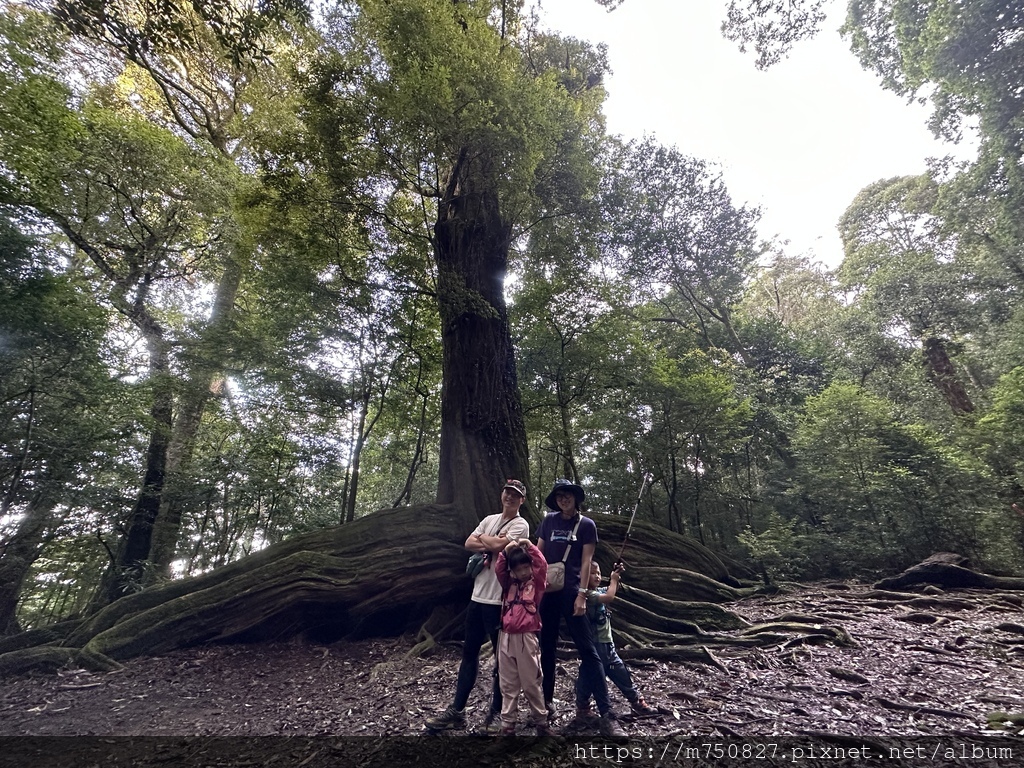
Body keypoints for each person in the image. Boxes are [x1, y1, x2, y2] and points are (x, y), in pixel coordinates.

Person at [425, 479, 530, 733]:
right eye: (507, 492)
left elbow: (494, 546)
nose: (510, 497)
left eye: (515, 495)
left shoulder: (521, 524)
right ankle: (457, 711)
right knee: (469, 655)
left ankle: (497, 713)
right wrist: (491, 540)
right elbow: (468, 543)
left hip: (500, 601)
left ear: (522, 501)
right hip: (477, 597)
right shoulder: (489, 518)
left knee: (501, 661)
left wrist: (486, 539)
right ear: (501, 494)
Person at [537, 478, 627, 742]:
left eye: (568, 496)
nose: (563, 500)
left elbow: (587, 561)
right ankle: (546, 703)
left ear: (576, 498)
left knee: (589, 651)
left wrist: (581, 595)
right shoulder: (548, 521)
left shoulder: (586, 525)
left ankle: (607, 715)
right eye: (559, 496)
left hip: (572, 591)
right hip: (548, 593)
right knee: (547, 647)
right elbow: (539, 555)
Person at [574, 561, 657, 722]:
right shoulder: (587, 595)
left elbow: (613, 590)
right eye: (593, 573)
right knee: (590, 676)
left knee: (619, 673)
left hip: (608, 645)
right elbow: (609, 596)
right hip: (597, 646)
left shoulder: (598, 591)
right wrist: (612, 579)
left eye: (598, 573)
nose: (597, 576)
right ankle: (583, 707)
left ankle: (636, 702)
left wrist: (616, 575)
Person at [494, 538, 549, 736]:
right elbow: (499, 569)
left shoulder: (537, 584)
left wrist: (529, 546)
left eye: (526, 567)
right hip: (506, 637)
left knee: (531, 683)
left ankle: (542, 723)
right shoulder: (508, 583)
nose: (523, 572)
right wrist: (505, 551)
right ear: (513, 571)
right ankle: (507, 726)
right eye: (519, 569)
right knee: (508, 684)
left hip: (526, 637)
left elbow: (542, 564)